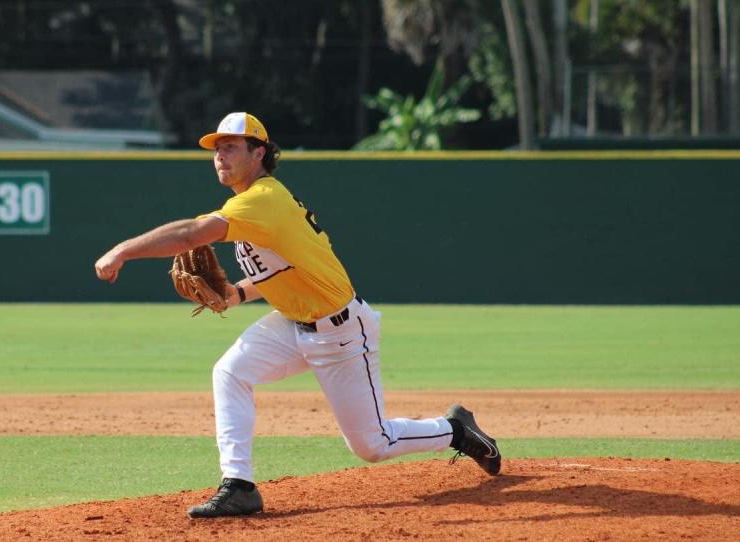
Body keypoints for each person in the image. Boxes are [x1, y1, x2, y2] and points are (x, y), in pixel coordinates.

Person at [94, 112, 501, 519]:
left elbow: (188, 235)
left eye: (230, 146)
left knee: (373, 445)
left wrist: (123, 251)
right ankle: (238, 485)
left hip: (339, 330)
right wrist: (236, 293)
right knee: (229, 372)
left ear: (259, 152)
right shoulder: (249, 204)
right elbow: (282, 267)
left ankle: (456, 430)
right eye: (216, 148)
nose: (220, 155)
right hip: (291, 321)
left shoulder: (264, 198)